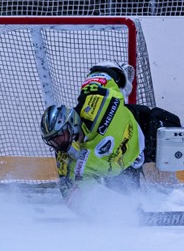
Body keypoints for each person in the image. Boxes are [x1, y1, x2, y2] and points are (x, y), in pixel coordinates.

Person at [40, 61, 181, 216]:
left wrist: (121, 79)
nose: (58, 144)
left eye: (59, 137)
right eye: (52, 141)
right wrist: (90, 212)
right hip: (124, 168)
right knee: (131, 202)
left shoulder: (92, 104)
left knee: (174, 133)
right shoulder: (66, 155)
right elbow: (69, 191)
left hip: (142, 128)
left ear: (70, 124)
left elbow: (100, 73)